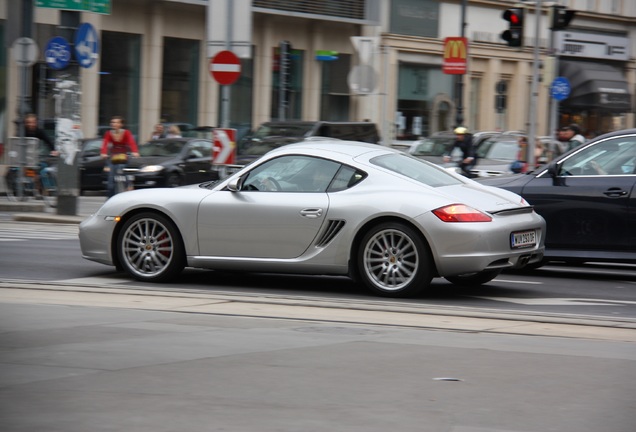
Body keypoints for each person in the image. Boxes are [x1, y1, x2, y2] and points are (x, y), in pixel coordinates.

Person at [100, 116, 139, 197]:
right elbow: (105, 144)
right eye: (112, 122)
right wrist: (103, 153)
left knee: (123, 169)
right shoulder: (108, 133)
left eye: (116, 122)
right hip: (113, 156)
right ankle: (110, 197)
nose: (113, 124)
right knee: (111, 178)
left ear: (121, 124)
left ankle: (128, 186)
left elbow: (131, 142)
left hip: (123, 156)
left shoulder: (126, 132)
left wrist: (135, 152)